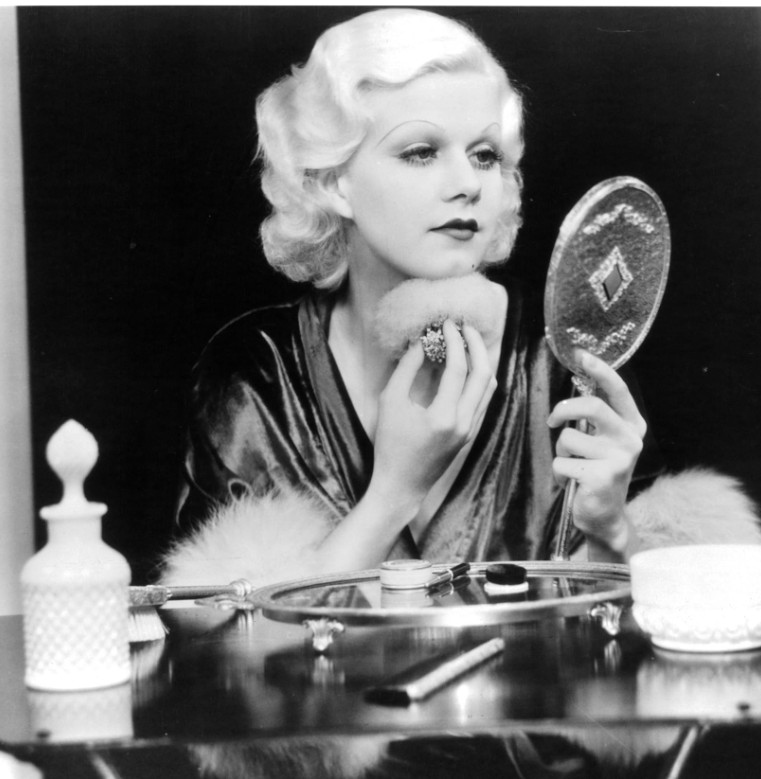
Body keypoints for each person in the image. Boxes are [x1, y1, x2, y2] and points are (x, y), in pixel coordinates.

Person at [160, 8, 760, 589]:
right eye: (421, 152)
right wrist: (395, 492)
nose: (469, 184)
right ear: (332, 182)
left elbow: (621, 652)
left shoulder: (561, 355)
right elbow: (223, 649)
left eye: (485, 155)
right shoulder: (255, 375)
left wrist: (613, 531)